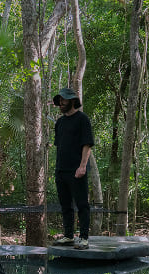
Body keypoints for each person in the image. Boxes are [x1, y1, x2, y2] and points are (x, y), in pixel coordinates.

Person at [52, 88, 95, 250]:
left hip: (77, 170)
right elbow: (60, 146)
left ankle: (83, 238)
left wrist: (82, 166)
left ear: (72, 101)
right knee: (65, 205)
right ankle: (69, 236)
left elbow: (87, 144)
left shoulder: (82, 119)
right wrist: (57, 169)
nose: (61, 102)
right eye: (60, 100)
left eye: (64, 100)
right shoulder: (60, 122)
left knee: (82, 204)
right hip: (61, 170)